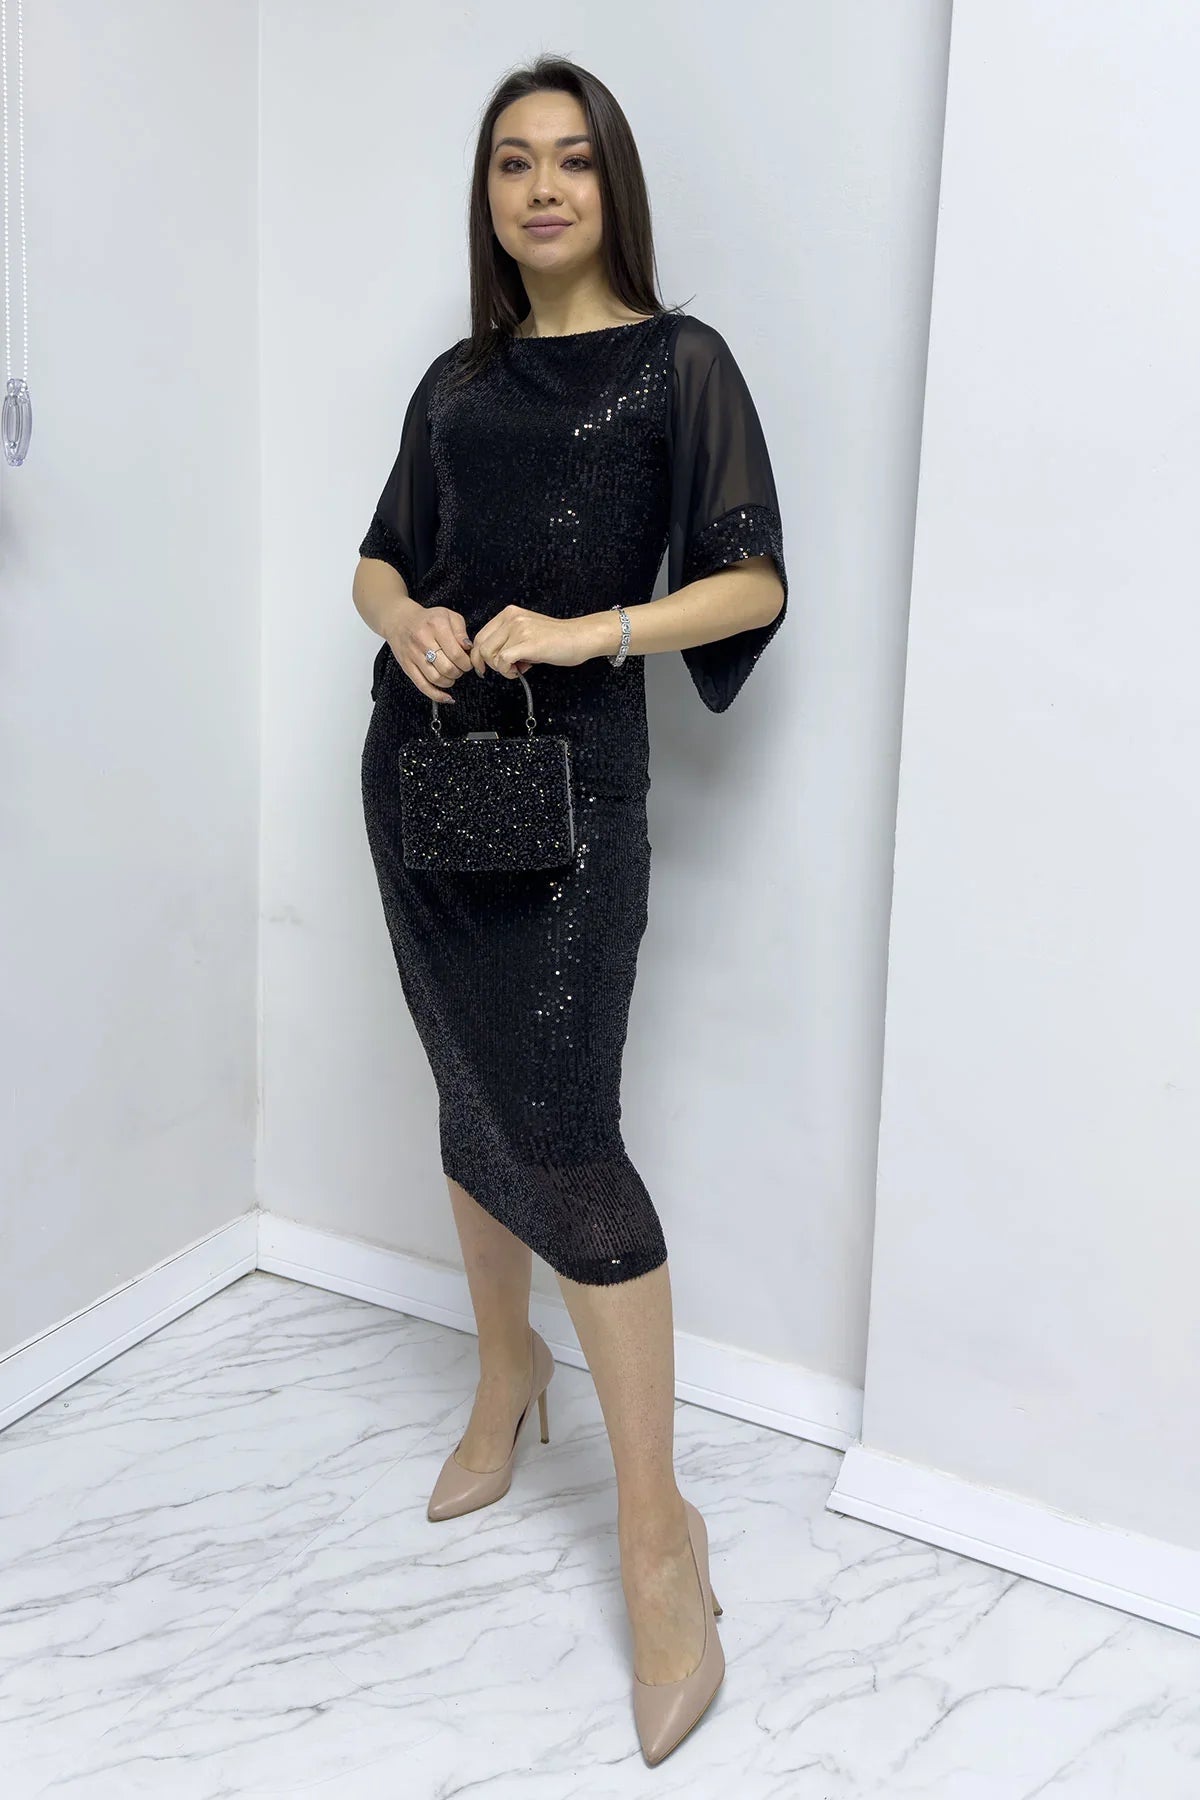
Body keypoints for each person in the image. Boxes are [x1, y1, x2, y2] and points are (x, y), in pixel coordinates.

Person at [353, 54, 787, 1767]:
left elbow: (751, 581)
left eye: (574, 161)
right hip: (421, 777)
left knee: (565, 1128)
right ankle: (504, 1375)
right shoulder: (456, 380)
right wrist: (403, 619)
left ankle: (658, 1535)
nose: (542, 188)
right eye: (514, 163)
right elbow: (379, 555)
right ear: (489, 196)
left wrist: (589, 629)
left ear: (614, 188)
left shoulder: (683, 365)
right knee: (468, 1090)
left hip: (576, 791)